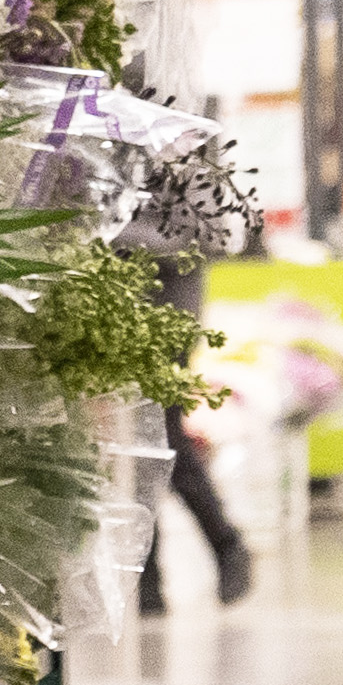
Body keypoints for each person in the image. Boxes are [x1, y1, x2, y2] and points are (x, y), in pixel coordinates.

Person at [138, 249, 251, 613]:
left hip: (166, 300)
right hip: (121, 300)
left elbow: (206, 231)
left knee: (159, 434)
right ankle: (149, 575)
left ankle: (224, 544)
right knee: (141, 438)